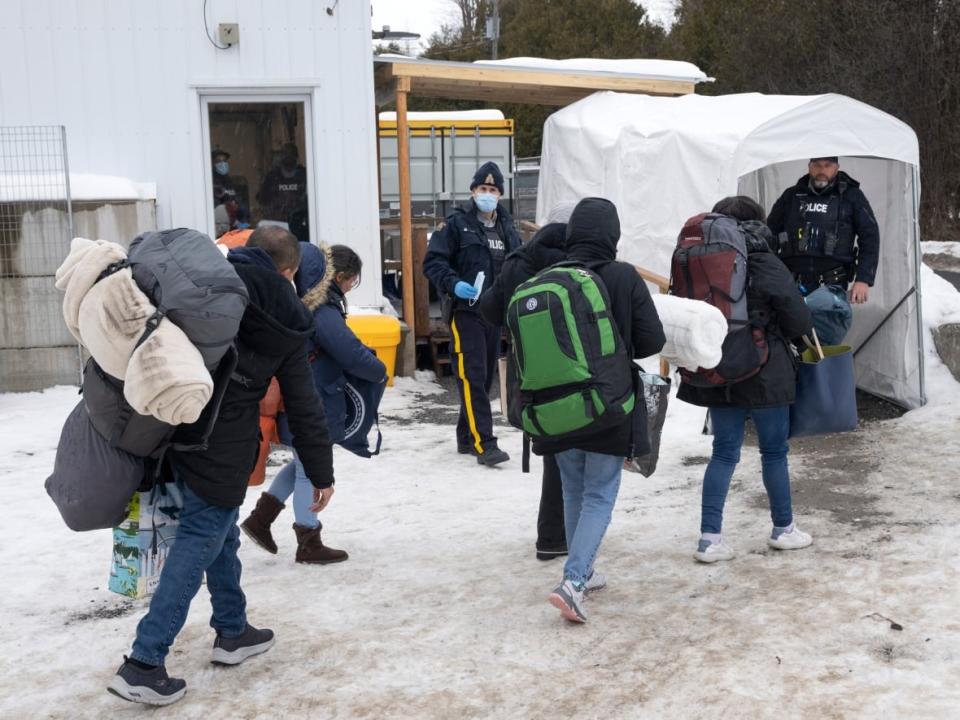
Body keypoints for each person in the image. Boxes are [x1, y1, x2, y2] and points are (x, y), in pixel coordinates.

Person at [107, 226, 336, 706]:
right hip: (224, 443)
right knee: (201, 535)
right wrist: (320, 471)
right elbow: (304, 404)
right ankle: (145, 661)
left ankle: (233, 629)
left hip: (169, 422)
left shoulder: (206, 283)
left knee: (221, 531)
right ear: (289, 271)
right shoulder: (287, 318)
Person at [533, 197, 665, 623]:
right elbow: (652, 341)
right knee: (599, 493)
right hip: (608, 403)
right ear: (613, 234)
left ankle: (584, 571)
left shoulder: (548, 276)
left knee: (573, 490)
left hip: (556, 405)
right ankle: (573, 582)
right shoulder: (624, 276)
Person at [679, 196, 814, 564]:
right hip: (764, 367)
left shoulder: (701, 258)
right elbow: (798, 319)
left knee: (723, 452)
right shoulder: (764, 259)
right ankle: (783, 529)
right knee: (774, 452)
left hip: (715, 366)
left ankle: (709, 539)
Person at [241, 243, 387, 564]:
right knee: (308, 468)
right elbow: (346, 348)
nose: (351, 286)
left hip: (305, 397)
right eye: (353, 280)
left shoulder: (308, 302)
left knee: (300, 465)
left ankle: (260, 520)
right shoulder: (323, 308)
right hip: (313, 400)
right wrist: (377, 370)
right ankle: (309, 541)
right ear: (342, 277)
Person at [480, 200, 578, 561]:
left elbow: (489, 310)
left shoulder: (519, 260)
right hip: (575, 371)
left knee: (554, 453)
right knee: (581, 452)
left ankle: (551, 537)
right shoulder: (578, 262)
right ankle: (569, 534)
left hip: (530, 373)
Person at [423, 161, 521, 467]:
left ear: (500, 194)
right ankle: (485, 444)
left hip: (494, 314)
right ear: (473, 191)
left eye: (493, 189)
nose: (487, 194)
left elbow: (518, 264)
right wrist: (455, 284)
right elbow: (433, 264)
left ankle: (466, 436)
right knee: (472, 374)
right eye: (483, 188)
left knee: (483, 377)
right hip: (465, 312)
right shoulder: (456, 225)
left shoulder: (507, 227)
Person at [767, 157, 880, 343]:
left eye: (828, 165)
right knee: (787, 341)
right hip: (792, 284)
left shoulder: (852, 197)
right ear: (809, 167)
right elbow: (769, 233)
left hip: (831, 285)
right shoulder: (792, 196)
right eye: (817, 165)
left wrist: (863, 279)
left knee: (823, 342)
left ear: (837, 168)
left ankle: (823, 372)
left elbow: (870, 237)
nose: (822, 170)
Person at [258, 142, 308, 223]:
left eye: (291, 155)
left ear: (296, 157)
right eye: (286, 155)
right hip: (277, 223)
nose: (288, 157)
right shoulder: (272, 177)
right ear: (281, 157)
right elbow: (263, 201)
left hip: (300, 222)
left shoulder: (305, 175)